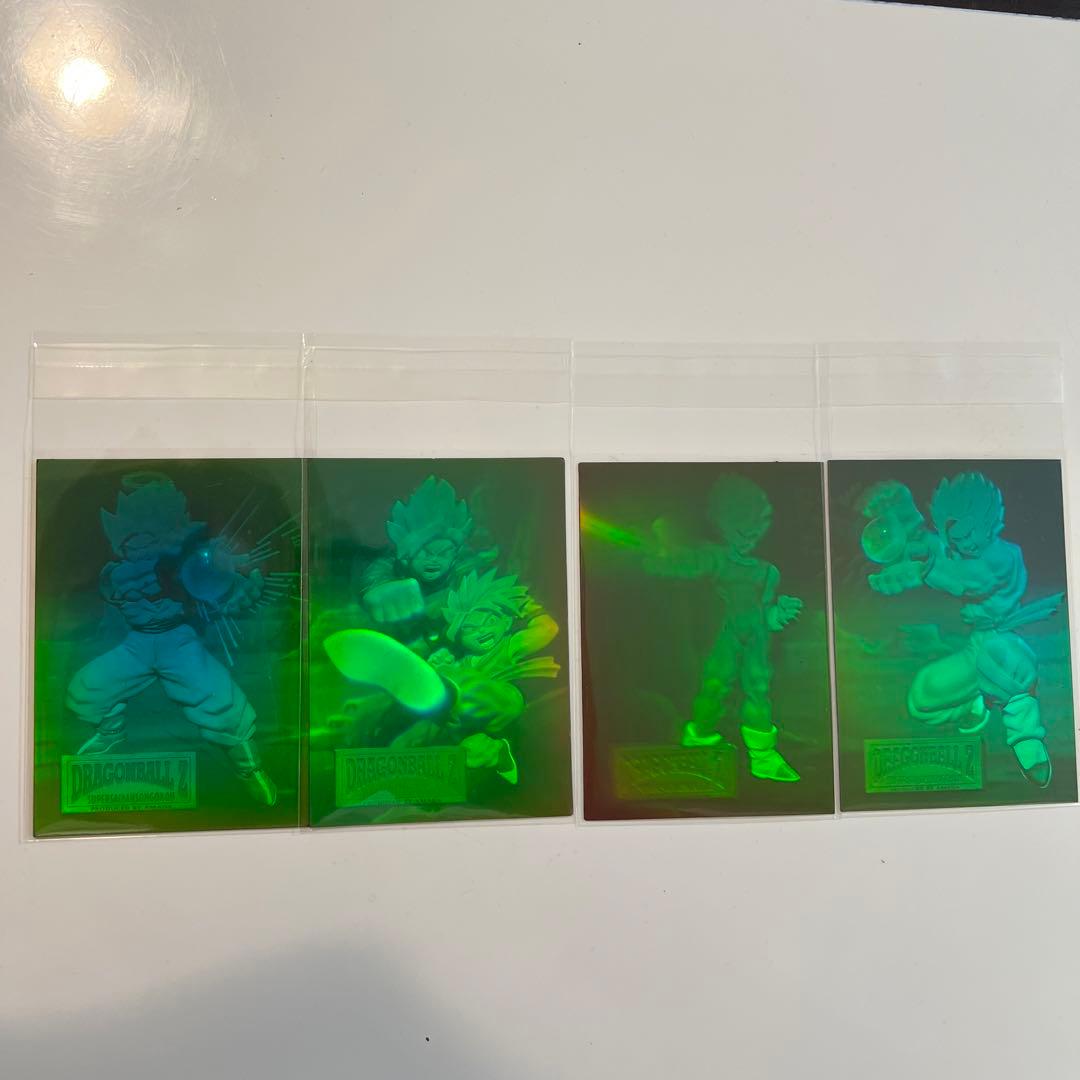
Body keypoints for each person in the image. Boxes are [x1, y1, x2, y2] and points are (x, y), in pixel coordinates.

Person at [65, 472, 277, 805]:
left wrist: (235, 590)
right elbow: (104, 606)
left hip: (179, 643)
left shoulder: (188, 563)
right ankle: (110, 734)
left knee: (223, 705)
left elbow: (217, 584)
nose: (141, 544)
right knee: (87, 689)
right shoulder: (116, 573)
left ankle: (248, 768)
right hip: (137, 644)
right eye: (134, 537)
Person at [644, 474, 802, 782]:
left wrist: (779, 614)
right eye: (741, 528)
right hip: (726, 633)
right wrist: (663, 549)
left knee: (758, 688)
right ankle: (699, 738)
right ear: (723, 522)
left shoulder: (767, 571)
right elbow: (678, 566)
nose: (749, 537)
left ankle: (763, 756)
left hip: (757, 635)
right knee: (716, 684)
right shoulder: (715, 558)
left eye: (755, 529)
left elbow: (767, 610)